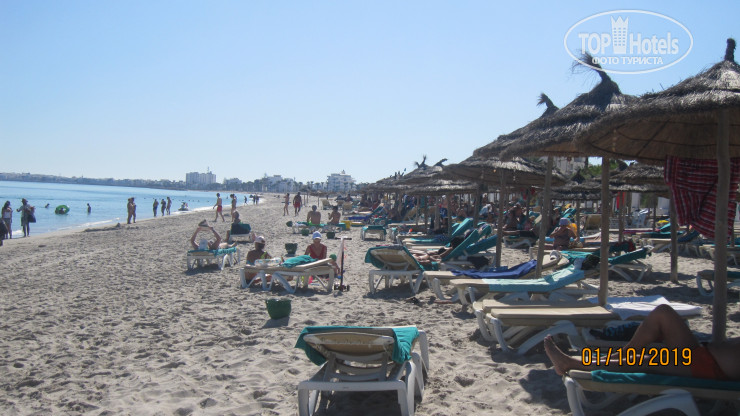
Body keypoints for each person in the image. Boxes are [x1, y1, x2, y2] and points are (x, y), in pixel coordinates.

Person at [544, 304, 740, 380]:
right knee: (663, 313)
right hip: (703, 353)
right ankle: (623, 355)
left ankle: (572, 363)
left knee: (646, 360)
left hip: (709, 368)